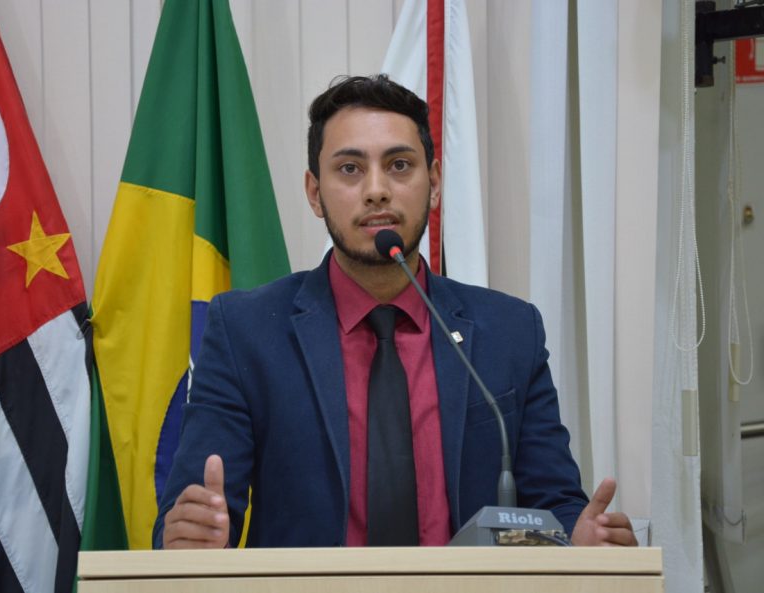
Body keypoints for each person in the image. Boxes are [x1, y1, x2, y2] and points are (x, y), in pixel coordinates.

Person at [154, 74, 637, 549]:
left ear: (435, 184)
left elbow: (554, 507)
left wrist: (582, 540)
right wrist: (192, 537)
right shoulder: (247, 331)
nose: (376, 190)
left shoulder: (510, 332)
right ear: (315, 192)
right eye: (349, 169)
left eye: (400, 165)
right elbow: (196, 513)